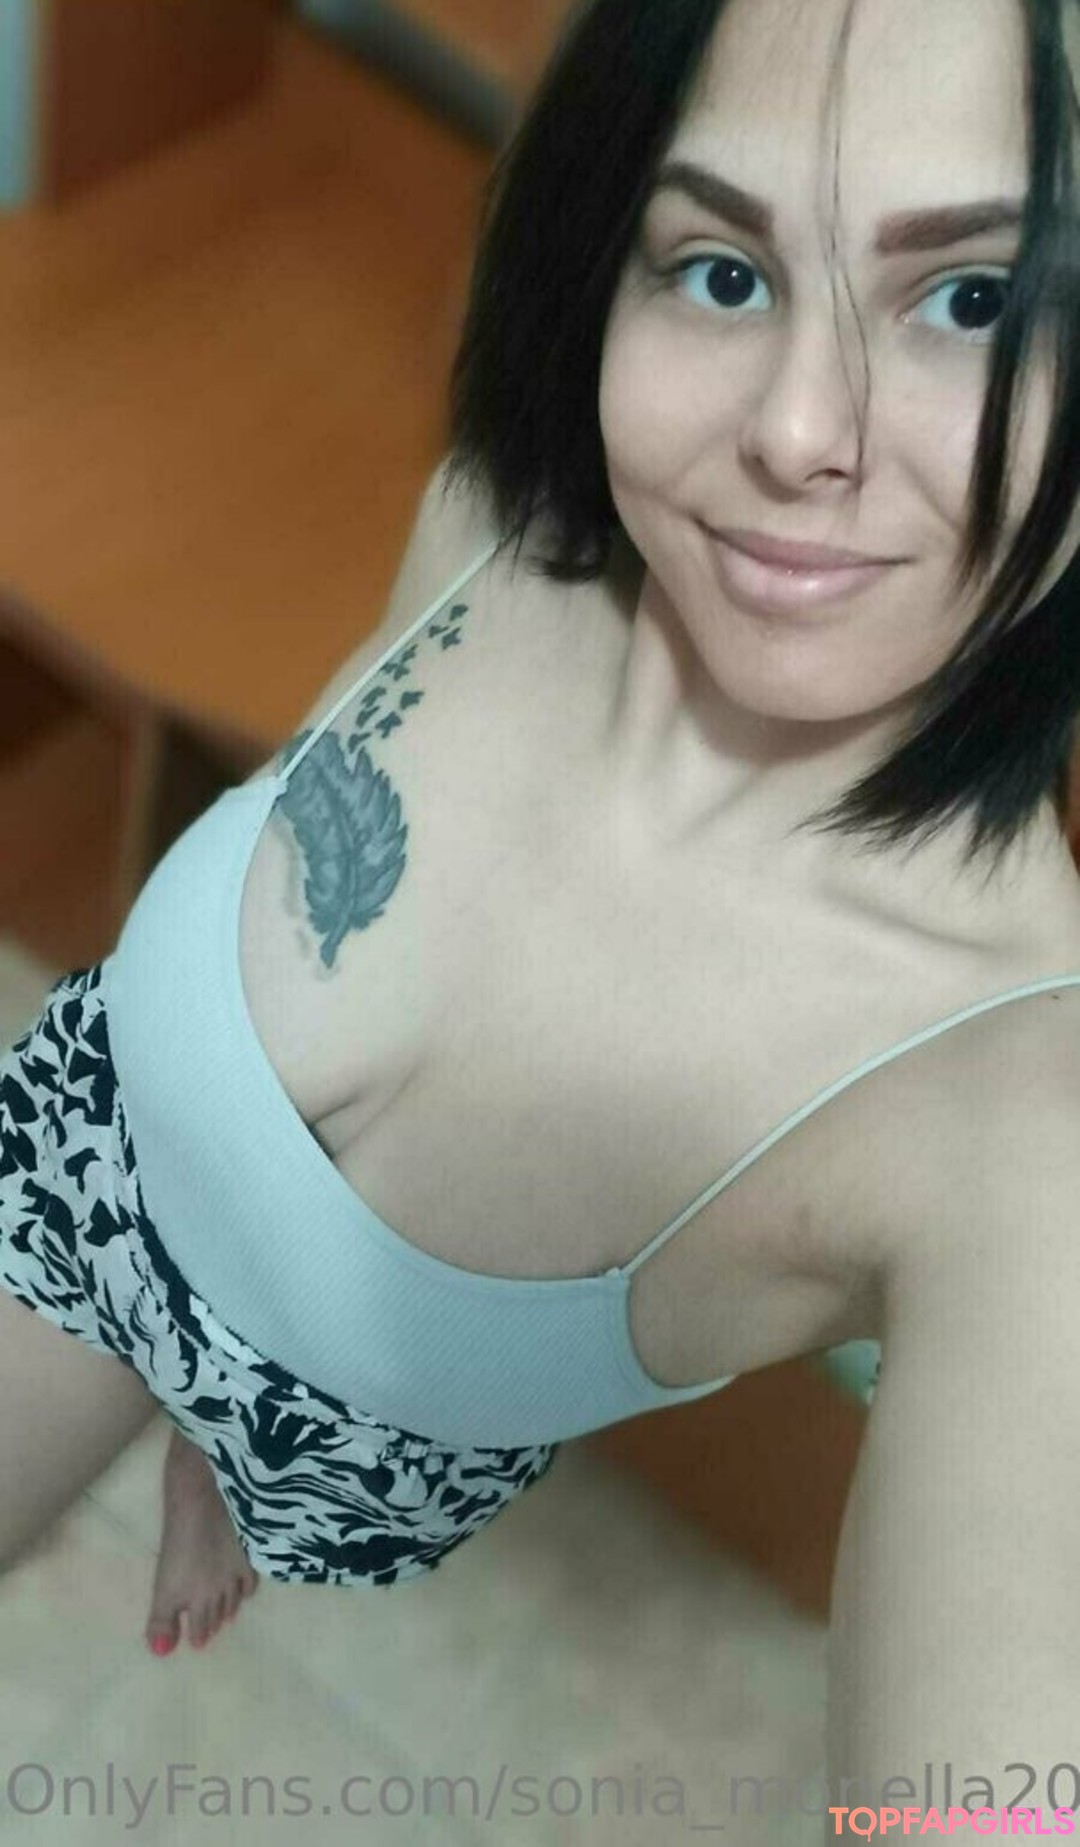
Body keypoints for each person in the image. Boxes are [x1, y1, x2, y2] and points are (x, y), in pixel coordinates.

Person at [3, 0, 1080, 1798]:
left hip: (348, 1461)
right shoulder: (494, 528)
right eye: (722, 270)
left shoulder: (1018, 1108)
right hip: (81, 1158)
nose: (796, 431)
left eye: (974, 300)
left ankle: (245, 1452)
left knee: (269, 1437)